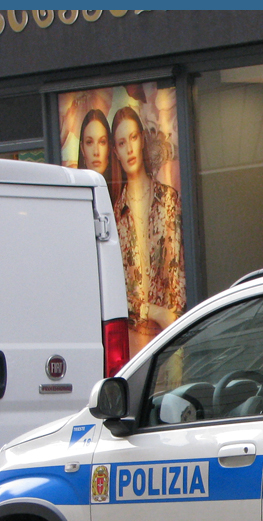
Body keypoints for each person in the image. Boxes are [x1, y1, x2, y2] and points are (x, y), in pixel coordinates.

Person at [110, 106, 186, 354]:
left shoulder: (167, 199)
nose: (129, 149)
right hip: (133, 340)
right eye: (122, 143)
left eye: (133, 138)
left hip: (171, 333)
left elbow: (178, 269)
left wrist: (173, 317)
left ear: (142, 139)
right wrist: (153, 311)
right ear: (116, 152)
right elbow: (115, 288)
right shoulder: (114, 216)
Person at [75, 109, 113, 201]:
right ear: (82, 148)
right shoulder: (74, 195)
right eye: (89, 142)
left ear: (109, 147)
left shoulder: (122, 197)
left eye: (102, 142)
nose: (96, 152)